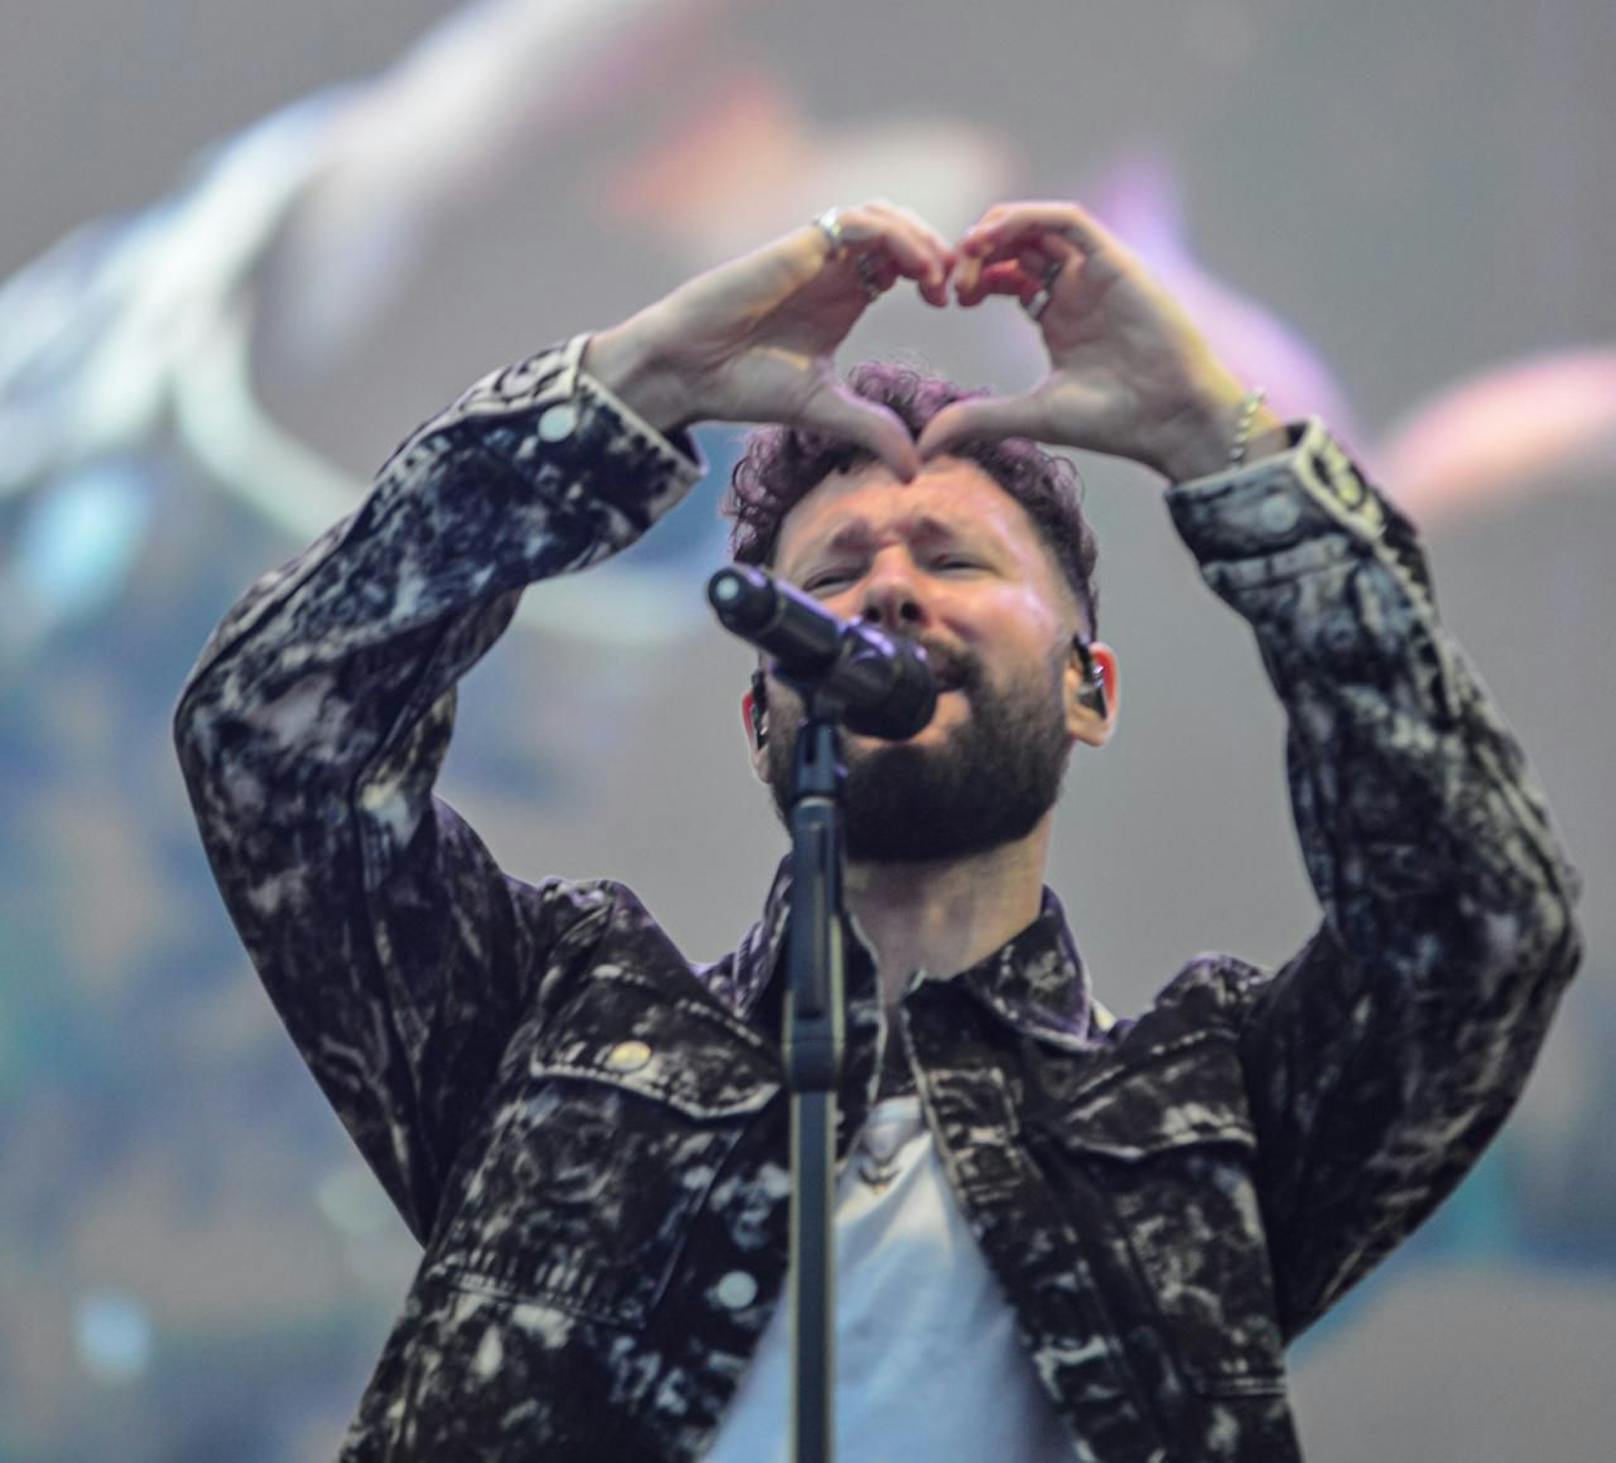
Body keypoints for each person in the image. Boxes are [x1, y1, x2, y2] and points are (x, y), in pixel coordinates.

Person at [173, 197, 1581, 1462]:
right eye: (835, 572)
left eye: (954, 560)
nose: (887, 595)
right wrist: (637, 388)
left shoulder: (1213, 1103)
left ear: (1092, 692)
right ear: (758, 718)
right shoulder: (552, 1014)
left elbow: (1486, 930)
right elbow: (271, 739)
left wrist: (1227, 453)